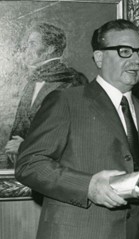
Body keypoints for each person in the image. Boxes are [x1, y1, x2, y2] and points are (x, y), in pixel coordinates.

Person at [15, 19, 139, 239]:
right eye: (125, 51)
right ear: (100, 58)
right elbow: (28, 165)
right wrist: (88, 186)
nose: (136, 60)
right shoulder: (66, 101)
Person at [5, 22, 88, 165]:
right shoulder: (33, 80)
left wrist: (26, 147)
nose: (27, 49)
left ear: (50, 49)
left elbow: (77, 134)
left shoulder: (73, 81)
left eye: (32, 44)